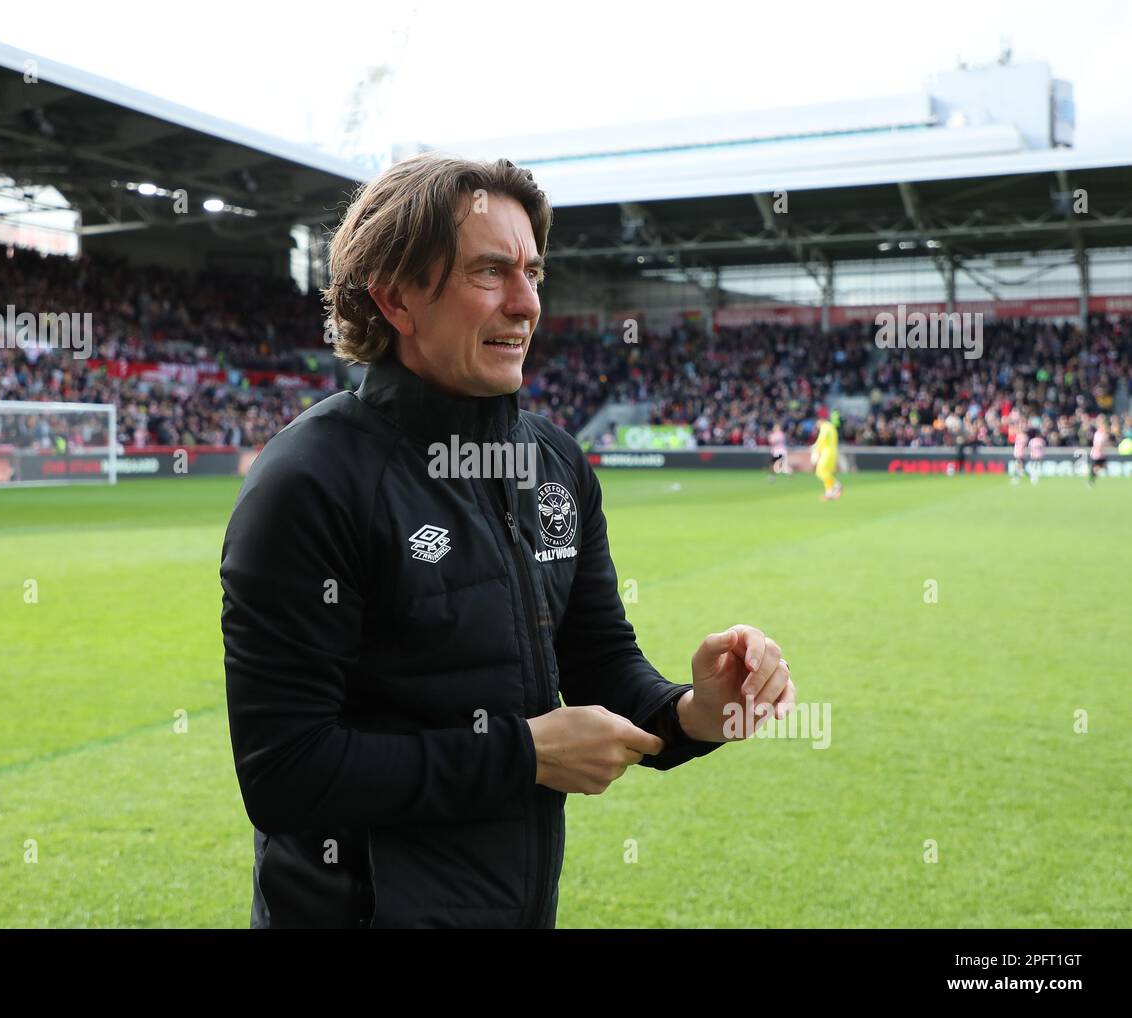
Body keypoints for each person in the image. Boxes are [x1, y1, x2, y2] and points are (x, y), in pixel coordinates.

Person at [220, 153, 795, 929]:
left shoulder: (555, 463)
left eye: (533, 271)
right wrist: (522, 756)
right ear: (395, 298)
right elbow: (284, 773)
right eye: (490, 272)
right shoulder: (310, 480)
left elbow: (601, 664)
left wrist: (695, 710)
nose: (526, 303)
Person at [810, 407, 840, 500]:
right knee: (826, 473)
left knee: (820, 471)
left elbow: (822, 439)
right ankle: (830, 492)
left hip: (827, 452)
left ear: (820, 420)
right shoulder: (831, 427)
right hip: (833, 452)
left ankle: (836, 486)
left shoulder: (825, 426)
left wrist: (816, 448)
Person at [1089, 416, 1108, 487]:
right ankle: (1091, 480)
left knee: (1098, 467)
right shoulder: (1100, 434)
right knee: (1097, 467)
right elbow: (1098, 444)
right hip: (1098, 454)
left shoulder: (1102, 434)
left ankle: (1092, 479)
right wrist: (1098, 450)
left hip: (1100, 454)